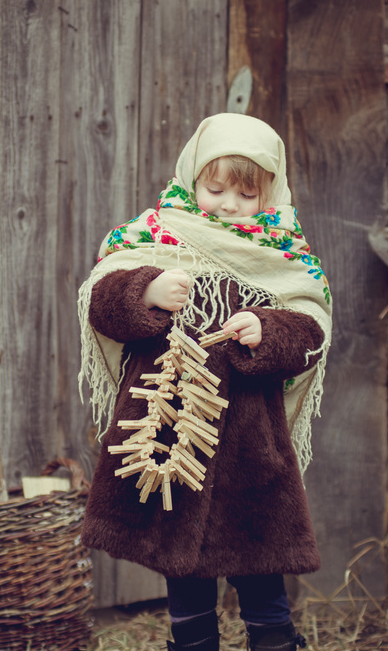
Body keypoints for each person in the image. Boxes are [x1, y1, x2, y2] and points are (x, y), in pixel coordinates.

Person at [77, 113, 333, 651]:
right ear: (192, 179)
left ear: (271, 192)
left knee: (262, 576)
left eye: (246, 193)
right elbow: (102, 305)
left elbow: (311, 333)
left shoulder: (283, 254)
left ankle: (274, 641)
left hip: (250, 445)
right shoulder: (155, 237)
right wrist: (143, 292)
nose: (228, 204)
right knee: (184, 574)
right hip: (169, 438)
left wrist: (269, 329)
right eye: (215, 188)